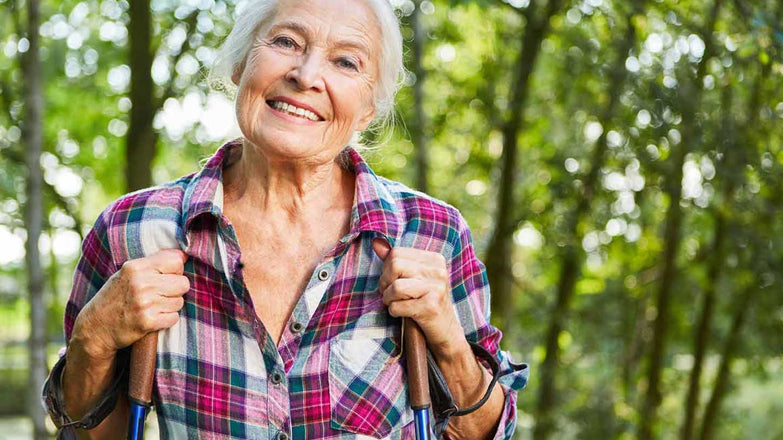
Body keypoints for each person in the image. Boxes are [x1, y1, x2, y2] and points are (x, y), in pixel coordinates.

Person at [42, 0, 528, 438]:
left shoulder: (431, 233)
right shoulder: (133, 229)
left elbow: (486, 432)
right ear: (239, 63)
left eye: (345, 61)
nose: (307, 74)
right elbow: (89, 433)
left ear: (368, 108)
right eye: (285, 41)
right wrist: (94, 340)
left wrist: (450, 342)